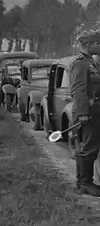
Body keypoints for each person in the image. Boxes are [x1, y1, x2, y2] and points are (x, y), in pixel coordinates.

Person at [70, 30, 100, 197]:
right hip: (87, 112)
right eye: (98, 43)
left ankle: (88, 181)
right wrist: (82, 113)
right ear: (88, 45)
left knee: (93, 146)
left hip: (95, 111)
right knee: (87, 147)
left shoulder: (92, 63)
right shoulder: (80, 64)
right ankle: (84, 183)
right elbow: (78, 90)